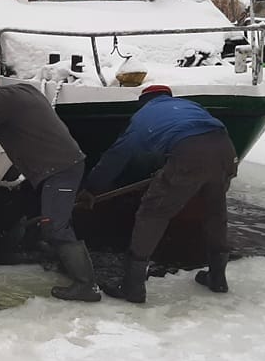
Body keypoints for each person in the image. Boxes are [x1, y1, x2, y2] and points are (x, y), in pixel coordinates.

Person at [82, 84, 237, 303]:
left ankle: (132, 286)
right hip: (224, 147)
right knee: (214, 211)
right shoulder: (188, 105)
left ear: (143, 101)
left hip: (188, 152)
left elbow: (116, 157)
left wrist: (92, 187)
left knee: (152, 213)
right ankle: (218, 277)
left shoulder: (142, 117)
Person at [0, 79, 100, 302]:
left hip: (58, 169)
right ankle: (51, 254)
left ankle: (86, 285)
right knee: (39, 212)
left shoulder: (0, 101)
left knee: (55, 226)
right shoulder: (23, 89)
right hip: (62, 164)